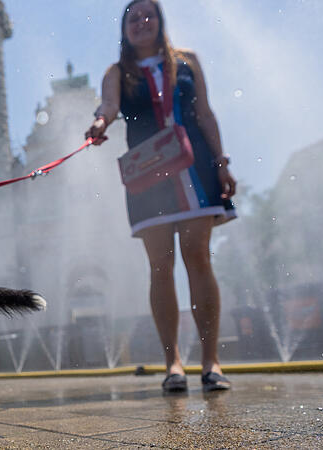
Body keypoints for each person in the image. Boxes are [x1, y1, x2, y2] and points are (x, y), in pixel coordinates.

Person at [86, 0, 237, 392]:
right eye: (132, 18)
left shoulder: (188, 61)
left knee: (199, 258)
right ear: (124, 29)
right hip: (148, 173)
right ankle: (173, 362)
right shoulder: (117, 72)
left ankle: (211, 362)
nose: (141, 22)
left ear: (161, 21)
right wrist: (100, 122)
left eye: (148, 15)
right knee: (160, 265)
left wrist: (221, 161)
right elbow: (108, 105)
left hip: (195, 168)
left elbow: (204, 112)